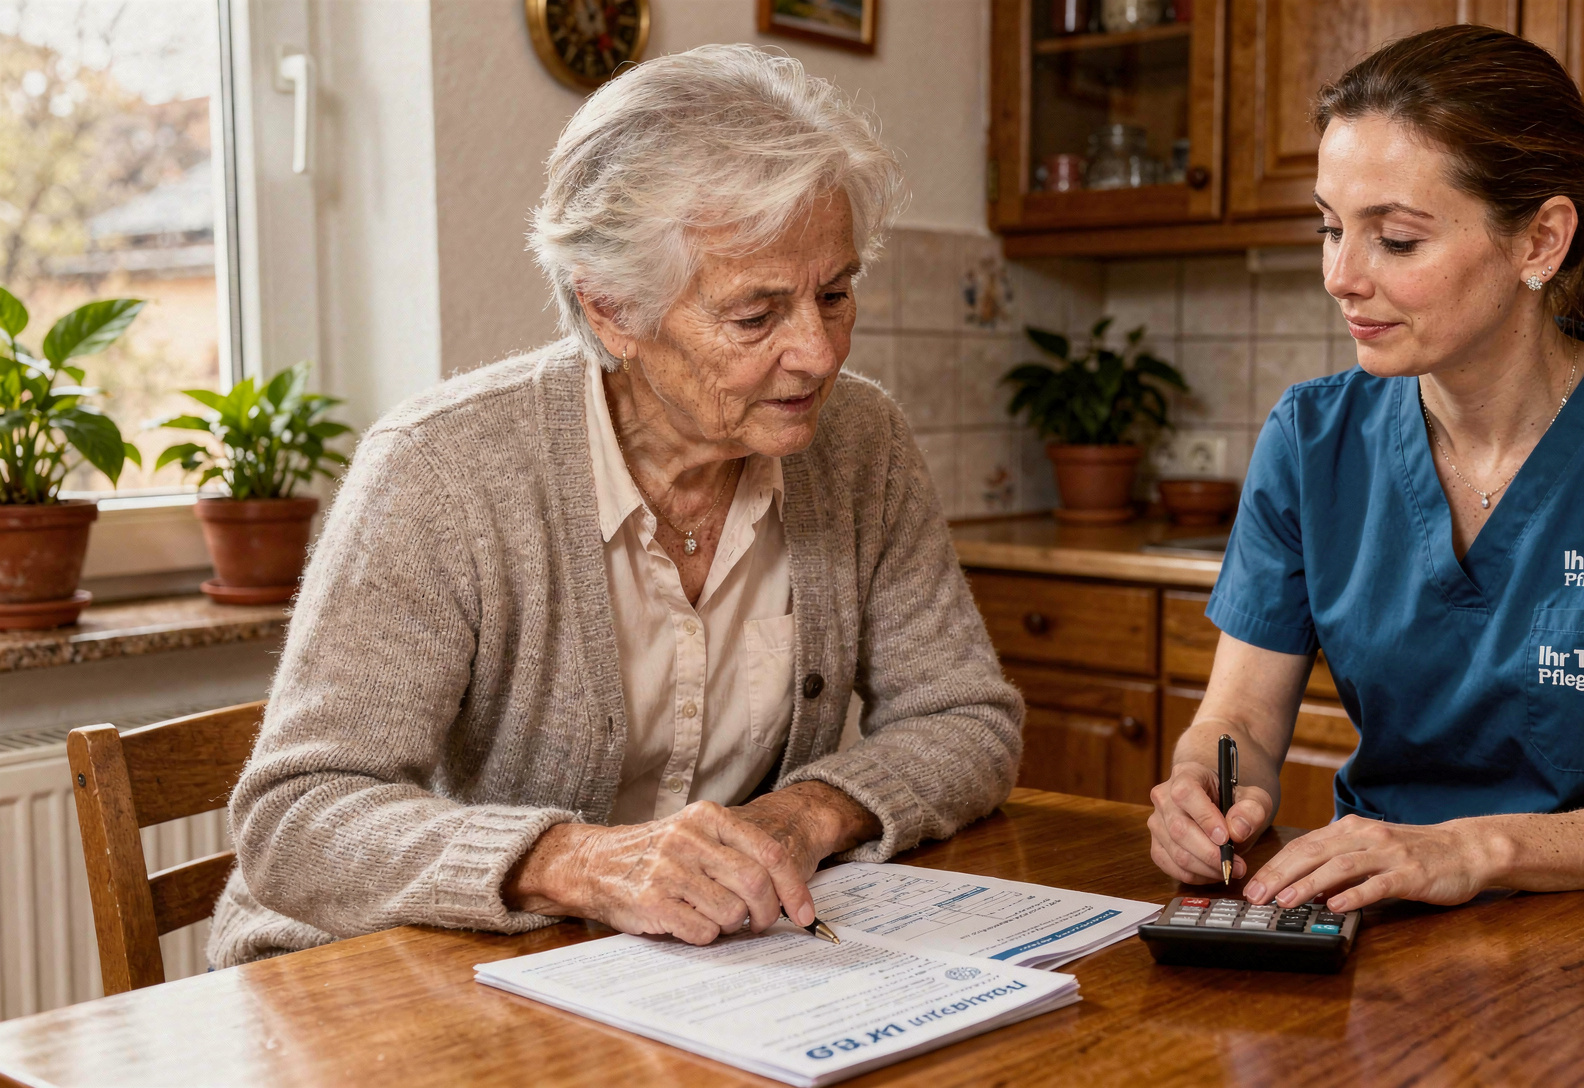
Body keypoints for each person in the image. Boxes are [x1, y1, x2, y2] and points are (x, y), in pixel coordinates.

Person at [208, 45, 1022, 967]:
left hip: (678, 973)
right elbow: (298, 813)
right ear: (612, 311)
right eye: (756, 316)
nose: (820, 352)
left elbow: (966, 718)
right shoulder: (442, 470)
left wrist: (801, 815)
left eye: (834, 295)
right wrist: (580, 863)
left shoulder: (860, 443)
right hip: (381, 975)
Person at [1148, 25, 1584, 915]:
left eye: (1395, 240)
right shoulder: (1309, 438)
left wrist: (1473, 850)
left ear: (1541, 243)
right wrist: (1198, 789)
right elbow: (1236, 721)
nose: (1340, 276)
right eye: (1329, 228)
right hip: (1398, 936)